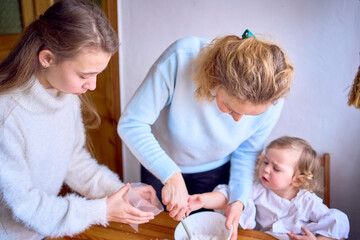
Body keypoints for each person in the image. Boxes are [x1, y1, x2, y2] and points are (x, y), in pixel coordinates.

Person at [0, 1, 157, 239]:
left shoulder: (64, 93)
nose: (92, 85)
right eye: (85, 75)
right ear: (47, 58)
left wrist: (121, 192)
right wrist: (102, 210)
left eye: (97, 74)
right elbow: (26, 206)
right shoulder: (6, 113)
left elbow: (73, 160)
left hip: (40, 230)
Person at [118, 29, 294, 239]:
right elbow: (131, 123)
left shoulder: (274, 98)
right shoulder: (181, 58)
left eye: (250, 115)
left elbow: (246, 152)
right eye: (230, 108)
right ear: (214, 79)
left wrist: (239, 199)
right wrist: (170, 175)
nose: (239, 121)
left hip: (217, 174)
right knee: (156, 232)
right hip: (159, 165)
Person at [187, 136, 350, 240]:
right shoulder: (258, 189)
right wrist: (202, 200)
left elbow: (337, 221)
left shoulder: (307, 201)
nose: (265, 169)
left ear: (297, 181)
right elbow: (230, 196)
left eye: (276, 168)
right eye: (266, 162)